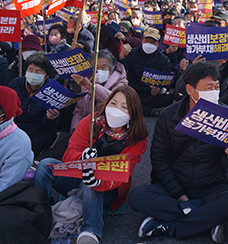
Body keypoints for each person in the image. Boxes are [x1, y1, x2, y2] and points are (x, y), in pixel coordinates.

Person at [128, 62, 228, 242]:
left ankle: (169, 225)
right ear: (190, 89)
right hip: (174, 186)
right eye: (208, 88)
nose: (214, 92)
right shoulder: (168, 116)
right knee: (137, 196)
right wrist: (180, 196)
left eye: (216, 87)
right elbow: (159, 160)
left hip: (211, 186)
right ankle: (206, 220)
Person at [35, 86, 148, 244]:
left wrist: (98, 181)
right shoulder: (91, 121)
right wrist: (83, 157)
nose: (116, 110)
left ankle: (91, 230)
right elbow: (69, 154)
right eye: (113, 103)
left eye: (124, 107)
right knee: (45, 165)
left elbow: (123, 173)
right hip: (78, 176)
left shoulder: (137, 137)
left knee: (91, 183)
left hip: (110, 188)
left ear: (133, 114)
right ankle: (39, 211)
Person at [8, 53, 60, 157]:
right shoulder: (16, 83)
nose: (33, 73)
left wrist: (50, 118)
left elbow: (51, 126)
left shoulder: (53, 90)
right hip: (15, 128)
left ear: (46, 75)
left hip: (39, 132)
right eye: (30, 70)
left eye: (38, 71)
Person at [119, 27, 173, 116]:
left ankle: (135, 107)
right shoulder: (133, 53)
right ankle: (149, 111)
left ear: (158, 44)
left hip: (150, 94)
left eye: (152, 42)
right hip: (133, 90)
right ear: (142, 40)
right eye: (146, 40)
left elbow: (166, 82)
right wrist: (121, 56)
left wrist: (159, 90)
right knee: (124, 96)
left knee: (168, 98)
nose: (149, 44)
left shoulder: (163, 59)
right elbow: (121, 69)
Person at [71, 51, 128, 131]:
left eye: (103, 67)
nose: (99, 70)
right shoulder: (88, 79)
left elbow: (112, 100)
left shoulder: (120, 83)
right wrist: (75, 128)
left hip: (105, 128)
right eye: (96, 67)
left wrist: (91, 87)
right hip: (85, 126)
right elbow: (79, 110)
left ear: (111, 70)